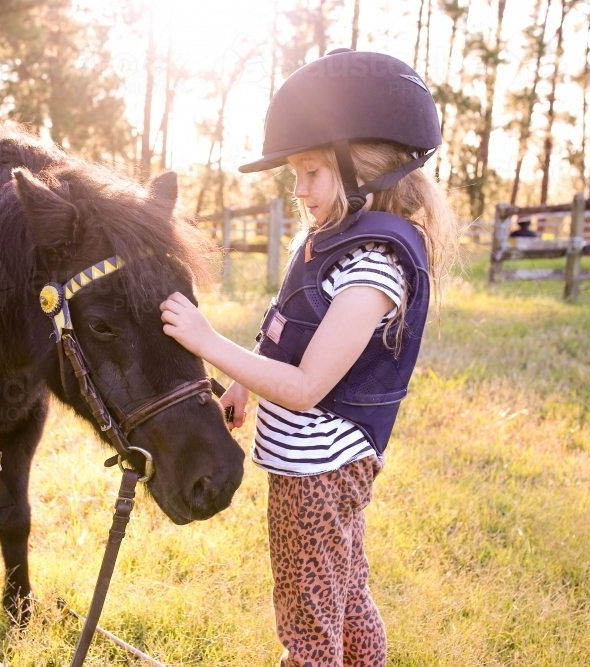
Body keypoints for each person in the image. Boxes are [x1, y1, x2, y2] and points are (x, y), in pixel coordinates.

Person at [159, 49, 460, 666]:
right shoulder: (330, 242)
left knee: (308, 621)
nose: (299, 190)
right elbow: (290, 326)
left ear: (365, 167)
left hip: (316, 474)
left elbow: (305, 385)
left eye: (312, 172)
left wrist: (208, 342)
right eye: (294, 175)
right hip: (319, 466)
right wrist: (242, 385)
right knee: (345, 598)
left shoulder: (374, 266)